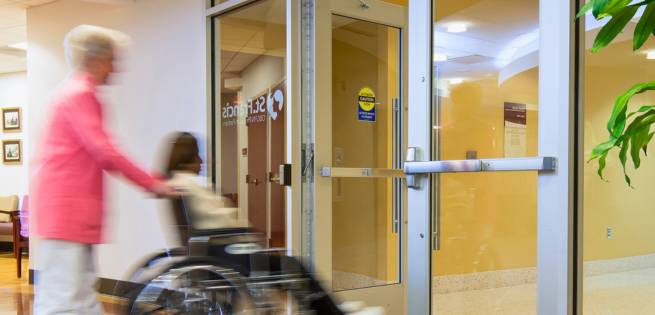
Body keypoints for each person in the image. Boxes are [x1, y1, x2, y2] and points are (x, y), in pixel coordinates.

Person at [32, 25, 176, 315]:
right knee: (63, 301)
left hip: (70, 217)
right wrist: (152, 183)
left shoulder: (76, 93)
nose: (116, 68)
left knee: (81, 298)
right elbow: (105, 151)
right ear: (95, 59)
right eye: (113, 59)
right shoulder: (79, 94)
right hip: (66, 215)